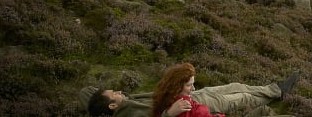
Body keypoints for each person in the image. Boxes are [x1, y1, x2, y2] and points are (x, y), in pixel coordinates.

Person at [84, 64, 298, 117]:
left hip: (189, 95)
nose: (119, 92)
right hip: (191, 105)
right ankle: (277, 95)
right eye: (115, 94)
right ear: (113, 105)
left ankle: (275, 89)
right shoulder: (128, 114)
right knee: (239, 99)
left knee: (235, 86)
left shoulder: (128, 103)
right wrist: (170, 113)